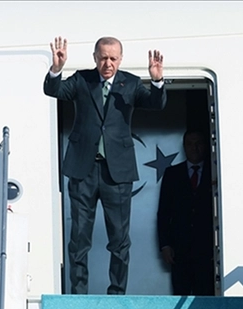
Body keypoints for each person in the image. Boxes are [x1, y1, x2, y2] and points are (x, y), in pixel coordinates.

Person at [44, 36, 167, 295]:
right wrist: (56, 69)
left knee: (119, 240)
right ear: (95, 58)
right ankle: (79, 296)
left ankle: (117, 295)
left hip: (117, 173)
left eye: (113, 58)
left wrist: (156, 81)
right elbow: (54, 91)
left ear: (120, 59)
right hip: (83, 170)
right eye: (103, 58)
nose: (107, 63)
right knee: (79, 239)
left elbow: (157, 104)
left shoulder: (131, 83)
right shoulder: (82, 80)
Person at [157, 130, 216, 296]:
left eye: (198, 143)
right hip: (179, 249)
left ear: (205, 146)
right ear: (184, 146)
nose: (194, 148)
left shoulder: (215, 172)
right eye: (190, 144)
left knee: (205, 296)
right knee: (180, 294)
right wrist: (165, 245)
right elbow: (164, 213)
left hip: (207, 249)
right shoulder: (172, 174)